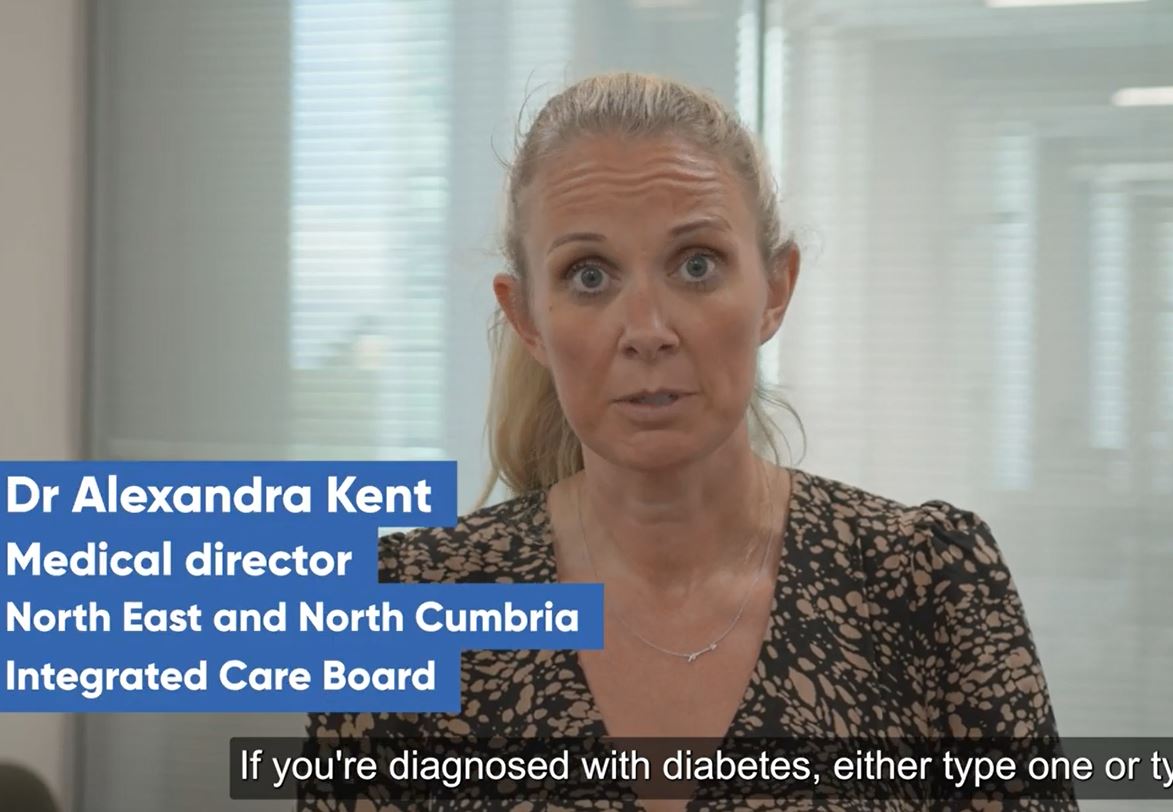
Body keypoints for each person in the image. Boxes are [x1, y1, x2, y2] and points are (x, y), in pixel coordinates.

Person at [301, 72, 1072, 812]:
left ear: (775, 290)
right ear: (526, 317)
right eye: (589, 276)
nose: (647, 331)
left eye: (696, 265)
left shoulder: (927, 583)